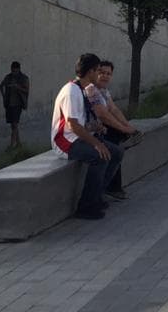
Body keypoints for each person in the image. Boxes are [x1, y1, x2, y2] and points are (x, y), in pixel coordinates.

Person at [52, 53, 123, 220]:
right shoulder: (71, 91)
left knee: (116, 153)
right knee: (100, 156)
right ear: (90, 71)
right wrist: (96, 144)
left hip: (78, 136)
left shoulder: (83, 89)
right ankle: (86, 206)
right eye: (98, 70)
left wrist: (95, 127)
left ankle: (97, 195)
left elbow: (82, 123)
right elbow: (72, 125)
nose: (99, 74)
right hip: (65, 141)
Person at [85, 59, 142, 200]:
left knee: (118, 143)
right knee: (115, 145)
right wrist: (124, 129)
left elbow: (114, 110)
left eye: (108, 74)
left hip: (100, 129)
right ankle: (110, 188)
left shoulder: (104, 91)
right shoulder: (91, 90)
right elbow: (103, 116)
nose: (105, 76)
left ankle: (113, 187)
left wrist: (127, 127)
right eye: (101, 72)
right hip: (90, 133)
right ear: (93, 73)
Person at [0, 61, 30, 149]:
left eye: (15, 71)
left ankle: (12, 144)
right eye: (12, 70)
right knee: (13, 124)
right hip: (8, 103)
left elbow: (26, 90)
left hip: (18, 103)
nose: (14, 72)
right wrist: (4, 96)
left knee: (15, 124)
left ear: (19, 69)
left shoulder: (23, 78)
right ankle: (18, 142)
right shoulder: (8, 77)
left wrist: (17, 87)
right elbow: (1, 86)